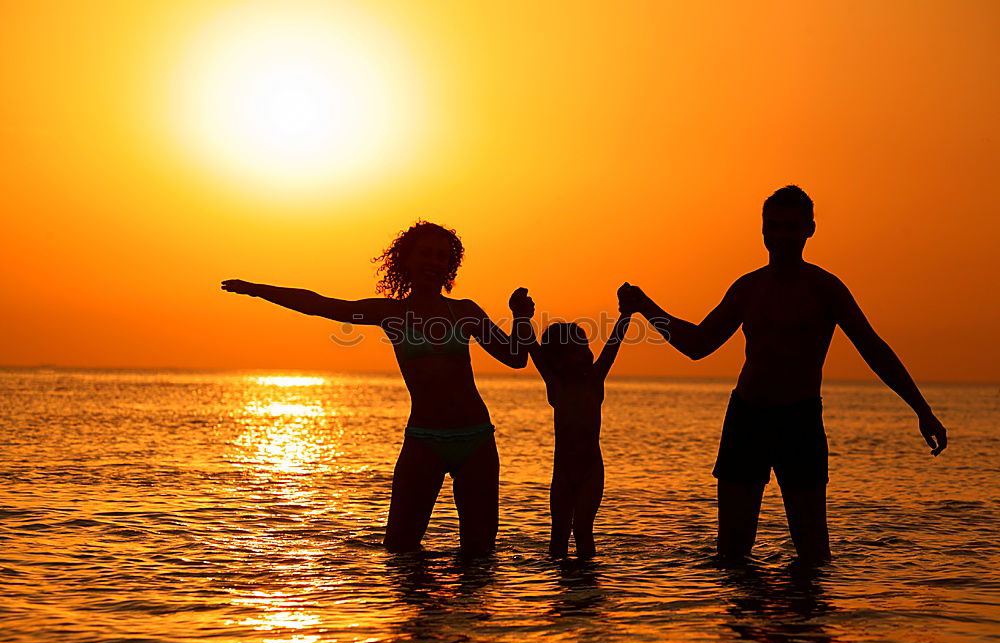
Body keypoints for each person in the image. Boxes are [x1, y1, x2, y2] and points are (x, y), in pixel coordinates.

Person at [621, 185, 947, 564]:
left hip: (799, 421)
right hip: (747, 418)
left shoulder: (825, 289)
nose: (780, 237)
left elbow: (874, 350)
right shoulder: (749, 288)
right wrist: (645, 306)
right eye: (772, 228)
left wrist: (921, 410)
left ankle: (804, 624)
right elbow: (698, 345)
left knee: (813, 554)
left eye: (791, 228)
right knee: (732, 554)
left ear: (810, 229)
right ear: (762, 231)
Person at [221, 220, 535, 555]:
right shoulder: (391, 313)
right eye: (425, 254)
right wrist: (257, 289)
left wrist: (521, 318)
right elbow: (322, 305)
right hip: (424, 440)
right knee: (400, 549)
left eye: (441, 257)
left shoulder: (465, 311)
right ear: (407, 261)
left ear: (449, 266)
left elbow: (515, 358)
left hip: (476, 440)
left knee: (479, 554)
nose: (433, 262)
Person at [514, 286, 633, 558]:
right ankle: (563, 591)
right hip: (562, 473)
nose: (585, 353)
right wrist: (521, 317)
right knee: (558, 535)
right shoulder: (556, 384)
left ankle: (586, 584)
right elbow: (533, 347)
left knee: (582, 529)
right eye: (576, 349)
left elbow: (613, 344)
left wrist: (626, 314)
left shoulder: (594, 381)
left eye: (585, 346)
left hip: (591, 472)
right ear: (558, 358)